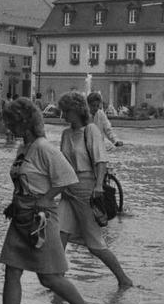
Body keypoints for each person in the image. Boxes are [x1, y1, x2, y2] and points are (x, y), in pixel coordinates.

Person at [0, 97, 105, 304]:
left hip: (40, 220)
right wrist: (14, 202)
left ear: (25, 123)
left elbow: (68, 177)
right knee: (12, 270)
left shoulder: (43, 148)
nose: (8, 127)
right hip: (20, 216)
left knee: (48, 277)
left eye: (12, 123)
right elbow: (23, 180)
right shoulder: (23, 148)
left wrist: (45, 198)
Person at [56, 92, 132, 288]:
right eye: (62, 111)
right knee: (59, 238)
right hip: (67, 191)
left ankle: (123, 279)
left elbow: (100, 161)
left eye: (67, 111)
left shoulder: (91, 131)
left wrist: (98, 186)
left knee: (95, 244)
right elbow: (61, 163)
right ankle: (57, 282)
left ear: (77, 111)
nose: (63, 115)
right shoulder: (65, 134)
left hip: (86, 190)